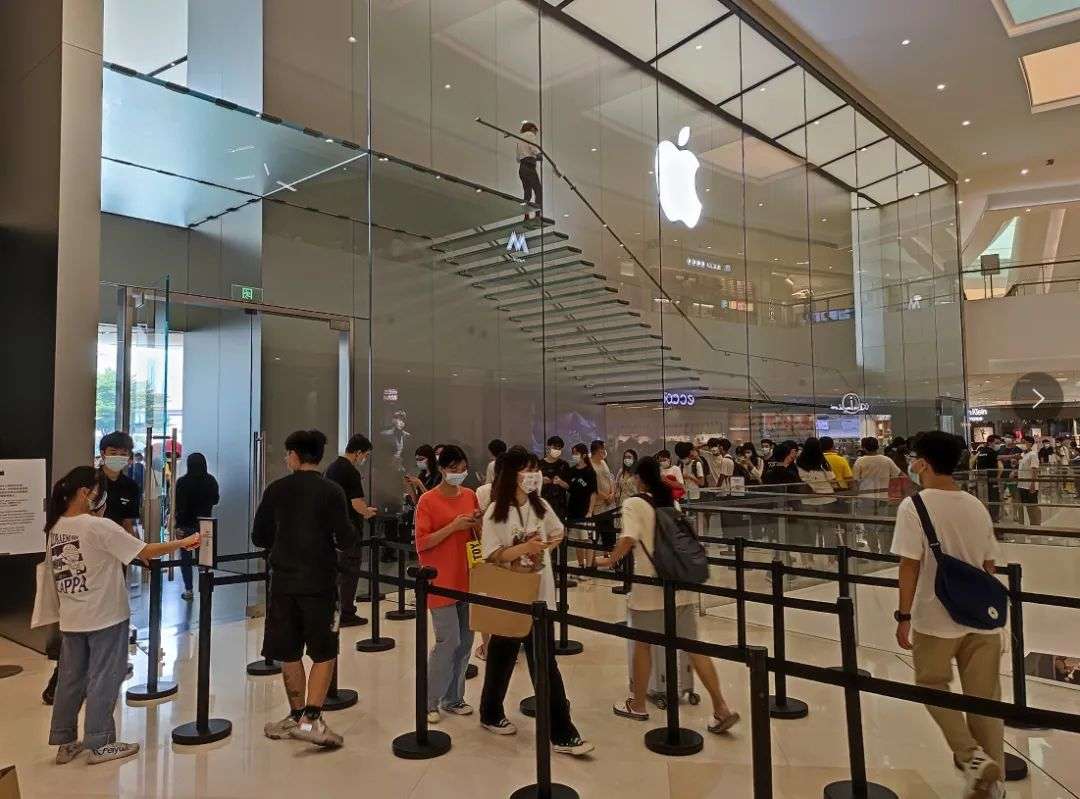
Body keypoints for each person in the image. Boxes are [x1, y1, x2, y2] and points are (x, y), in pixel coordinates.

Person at [46, 466, 200, 766]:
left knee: (70, 679)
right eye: (98, 491)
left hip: (72, 616)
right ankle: (101, 743)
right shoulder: (98, 527)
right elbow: (146, 550)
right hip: (105, 615)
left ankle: (65, 741)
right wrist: (183, 543)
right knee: (104, 677)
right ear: (85, 493)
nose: (102, 497)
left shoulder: (57, 526)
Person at [890, 431, 1004, 799]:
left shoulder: (914, 506)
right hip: (982, 618)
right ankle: (993, 785)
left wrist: (903, 616)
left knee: (932, 685)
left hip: (935, 617)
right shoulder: (975, 505)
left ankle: (972, 758)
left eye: (914, 458)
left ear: (923, 463)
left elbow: (909, 566)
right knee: (984, 700)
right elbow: (988, 564)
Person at [607, 456, 739, 734]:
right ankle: (721, 707)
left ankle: (638, 704)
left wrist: (610, 560)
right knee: (693, 646)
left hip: (649, 589)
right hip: (680, 586)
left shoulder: (633, 504)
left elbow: (628, 538)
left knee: (643, 646)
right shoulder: (670, 502)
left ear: (638, 478)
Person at [478, 449, 594, 755]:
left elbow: (558, 532)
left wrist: (542, 550)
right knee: (502, 656)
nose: (533, 475)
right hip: (511, 595)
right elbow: (492, 554)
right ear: (511, 474)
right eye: (527, 470)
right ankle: (491, 712)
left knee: (544, 662)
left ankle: (561, 731)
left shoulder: (539, 505)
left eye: (534, 469)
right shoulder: (495, 512)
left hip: (540, 596)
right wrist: (524, 549)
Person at [253, 430, 356, 748]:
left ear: (295, 455)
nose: (286, 459)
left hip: (284, 583)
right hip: (320, 583)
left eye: (287, 454)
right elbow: (346, 537)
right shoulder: (332, 491)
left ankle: (296, 715)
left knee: (289, 650)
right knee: (324, 651)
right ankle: (311, 720)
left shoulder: (276, 489)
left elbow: (259, 536)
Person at [414, 445, 481, 725]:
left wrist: (477, 523)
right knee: (448, 640)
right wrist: (453, 527)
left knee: (465, 642)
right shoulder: (428, 501)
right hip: (440, 580)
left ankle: (453, 697)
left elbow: (477, 536)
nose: (458, 473)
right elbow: (422, 543)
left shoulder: (470, 495)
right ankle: (429, 701)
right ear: (441, 469)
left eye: (462, 468)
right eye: (453, 469)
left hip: (466, 578)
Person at [325, 434, 378, 627]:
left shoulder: (331, 468)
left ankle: (334, 609)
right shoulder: (351, 472)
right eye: (365, 455)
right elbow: (356, 503)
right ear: (358, 452)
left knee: (337, 572)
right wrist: (367, 512)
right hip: (349, 529)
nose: (364, 458)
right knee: (350, 572)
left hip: (332, 527)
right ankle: (347, 612)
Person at [174, 452, 220, 601]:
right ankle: (205, 588)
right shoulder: (210, 480)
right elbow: (216, 500)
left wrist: (177, 525)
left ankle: (189, 590)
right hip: (205, 525)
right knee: (204, 560)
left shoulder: (182, 482)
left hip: (186, 525)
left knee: (186, 560)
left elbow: (179, 506)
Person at [567, 443, 598, 573]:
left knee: (588, 539)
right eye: (573, 453)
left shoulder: (590, 472)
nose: (574, 456)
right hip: (573, 510)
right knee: (578, 539)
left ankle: (589, 566)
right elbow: (569, 488)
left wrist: (590, 510)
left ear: (584, 455)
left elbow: (593, 493)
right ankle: (580, 565)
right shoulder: (572, 470)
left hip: (586, 510)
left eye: (576, 453)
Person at [795, 437, 837, 506]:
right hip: (826, 497)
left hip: (807, 498)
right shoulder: (822, 461)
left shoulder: (798, 462)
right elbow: (832, 479)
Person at [540, 435, 571, 520]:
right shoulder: (540, 464)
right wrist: (541, 481)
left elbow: (569, 486)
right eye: (554, 447)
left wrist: (560, 482)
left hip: (559, 506)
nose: (557, 450)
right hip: (543, 504)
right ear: (548, 447)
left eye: (559, 448)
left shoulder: (564, 465)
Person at [972, 436, 1003, 523]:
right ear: (990, 443)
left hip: (981, 479)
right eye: (996, 443)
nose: (998, 445)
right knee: (994, 499)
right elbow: (1000, 462)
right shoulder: (992, 452)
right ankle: (994, 520)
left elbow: (973, 463)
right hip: (991, 480)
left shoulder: (981, 451)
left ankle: (984, 519)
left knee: (983, 499)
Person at [517, 121, 543, 221]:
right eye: (535, 131)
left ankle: (526, 216)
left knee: (527, 193)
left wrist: (534, 157)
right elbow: (533, 147)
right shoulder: (530, 134)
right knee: (538, 190)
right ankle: (537, 215)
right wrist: (538, 154)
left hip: (522, 168)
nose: (535, 134)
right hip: (529, 167)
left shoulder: (519, 139)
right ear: (532, 129)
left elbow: (518, 158)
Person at [1017, 435, 1041, 526]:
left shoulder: (1033, 454)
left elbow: (1034, 470)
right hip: (1021, 485)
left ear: (1030, 443)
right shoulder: (1023, 455)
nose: (1022, 444)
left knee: (1032, 507)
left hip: (1029, 485)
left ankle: (1035, 525)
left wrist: (1032, 484)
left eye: (1024, 442)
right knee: (1024, 507)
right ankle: (1026, 525)